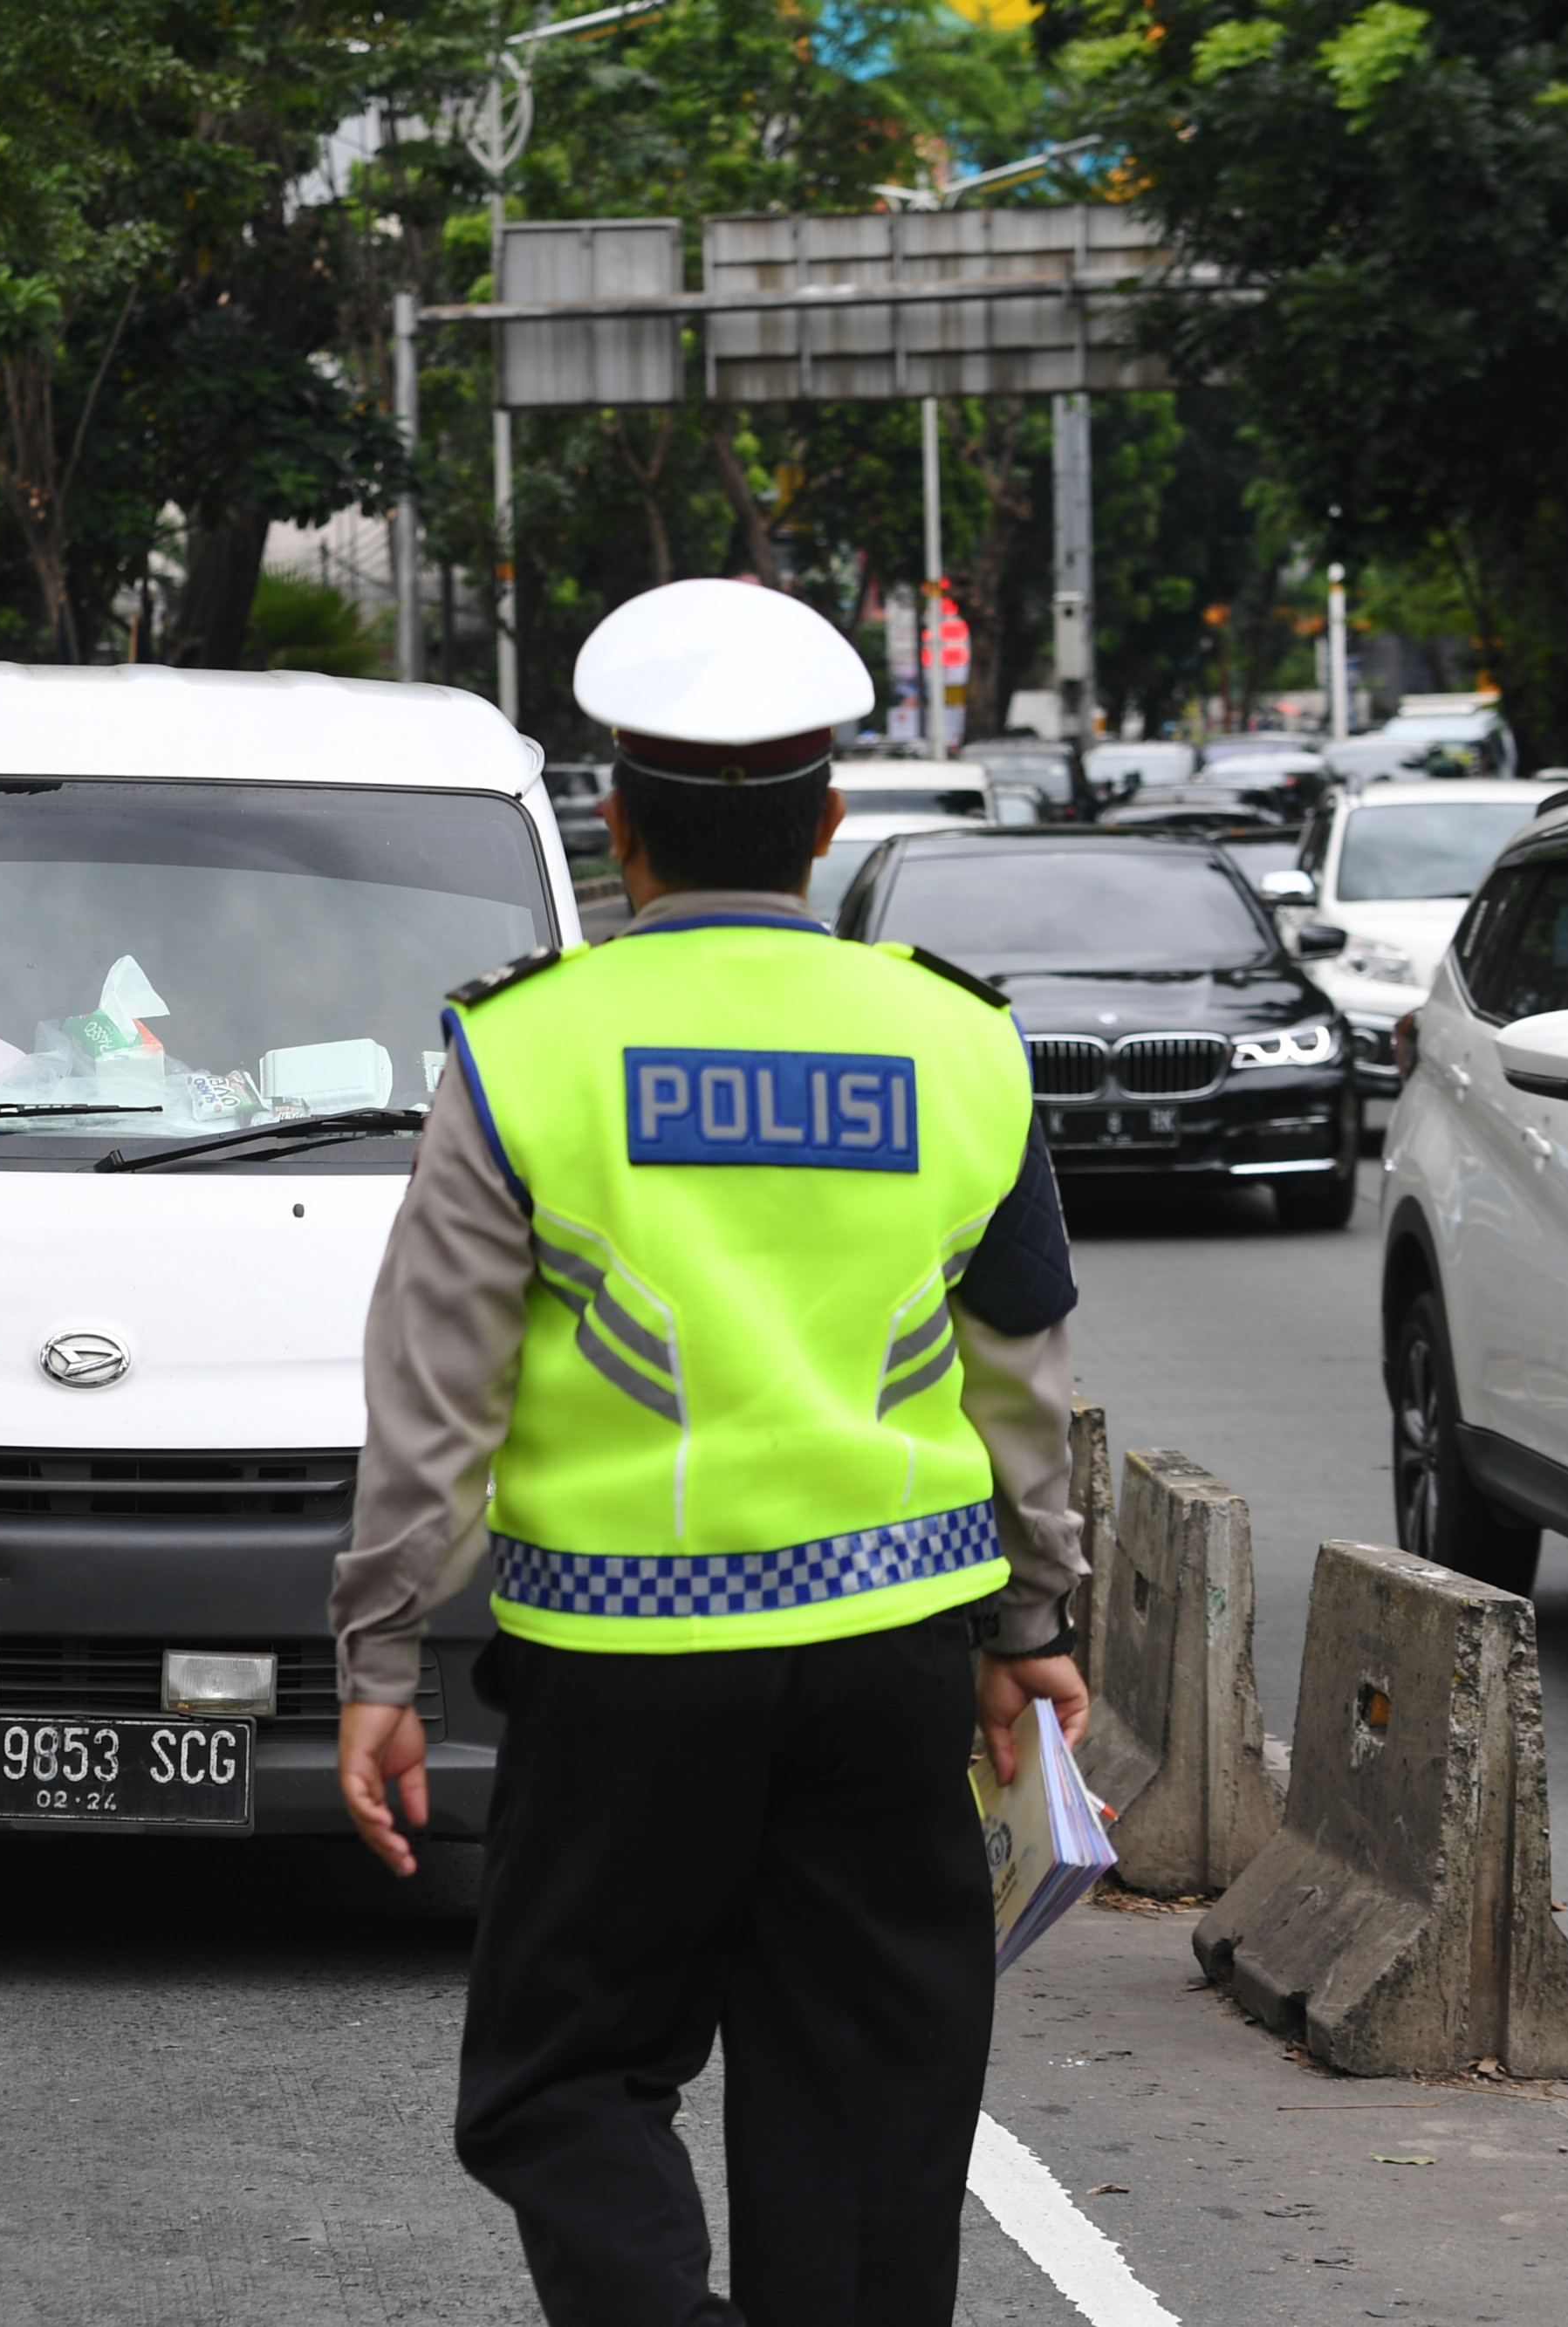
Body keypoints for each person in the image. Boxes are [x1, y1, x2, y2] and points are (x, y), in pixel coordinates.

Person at [330, 578, 1093, 2326]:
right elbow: (1022, 1372)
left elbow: (434, 1394)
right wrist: (1029, 1620)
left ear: (617, 823)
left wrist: (377, 1653)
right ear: (828, 821)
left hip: (622, 1668)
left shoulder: (522, 1048)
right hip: (888, 1654)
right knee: (863, 2096)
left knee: (563, 2073)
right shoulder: (958, 1039)